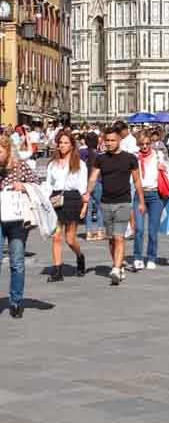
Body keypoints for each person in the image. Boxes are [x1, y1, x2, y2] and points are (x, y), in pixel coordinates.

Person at [86, 124, 145, 285]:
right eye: (107, 140)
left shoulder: (130, 158)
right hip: (105, 203)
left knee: (119, 237)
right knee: (111, 239)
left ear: (119, 140)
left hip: (124, 202)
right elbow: (93, 178)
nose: (109, 143)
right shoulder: (100, 158)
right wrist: (87, 193)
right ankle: (117, 265)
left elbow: (137, 180)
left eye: (112, 140)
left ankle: (117, 269)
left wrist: (141, 201)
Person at [0, 131, 38, 318]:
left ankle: (16, 301)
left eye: (0, 152)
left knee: (17, 262)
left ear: (8, 151)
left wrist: (23, 186)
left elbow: (36, 185)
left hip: (16, 220)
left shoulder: (20, 166)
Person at [42, 128, 88, 281]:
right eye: (60, 143)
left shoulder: (80, 164)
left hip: (72, 199)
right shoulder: (52, 164)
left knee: (69, 239)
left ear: (72, 145)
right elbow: (48, 184)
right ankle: (57, 270)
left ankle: (80, 256)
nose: (62, 146)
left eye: (66, 143)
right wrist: (44, 201)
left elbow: (83, 187)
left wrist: (85, 205)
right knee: (56, 236)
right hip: (55, 198)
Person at [132, 128, 168, 271]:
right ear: (138, 144)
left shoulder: (158, 155)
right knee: (139, 229)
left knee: (153, 230)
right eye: (142, 144)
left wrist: (163, 167)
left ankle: (151, 257)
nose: (145, 147)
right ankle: (138, 257)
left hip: (155, 195)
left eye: (147, 143)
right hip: (139, 195)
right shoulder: (134, 157)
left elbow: (168, 169)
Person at [81, 130, 104, 240]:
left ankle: (88, 232)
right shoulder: (100, 155)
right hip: (98, 182)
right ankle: (100, 231)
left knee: (87, 208)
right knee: (100, 207)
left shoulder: (81, 153)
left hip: (85, 183)